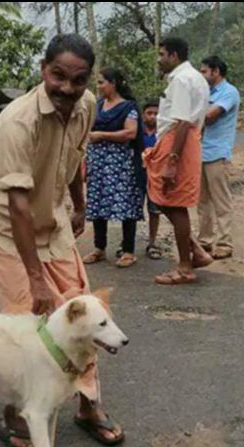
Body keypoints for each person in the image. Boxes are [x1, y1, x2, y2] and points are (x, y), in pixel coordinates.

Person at [0, 33, 124, 447]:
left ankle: (88, 405)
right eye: (58, 76)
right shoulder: (16, 121)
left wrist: (78, 205)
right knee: (26, 322)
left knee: (83, 310)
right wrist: (35, 278)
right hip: (11, 227)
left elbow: (74, 159)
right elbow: (18, 206)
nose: (66, 88)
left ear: (88, 81)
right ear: (44, 70)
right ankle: (15, 414)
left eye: (77, 80)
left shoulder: (87, 107)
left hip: (54, 220)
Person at [144, 37, 213, 285]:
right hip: (180, 139)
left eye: (162, 54)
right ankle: (195, 249)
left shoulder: (183, 80)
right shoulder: (194, 78)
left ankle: (185, 267)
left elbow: (183, 121)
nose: (159, 59)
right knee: (161, 197)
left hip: (178, 140)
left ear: (174, 56)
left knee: (174, 201)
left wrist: (172, 160)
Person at [83, 68, 144, 269]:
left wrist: (102, 135)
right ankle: (99, 248)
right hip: (98, 162)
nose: (98, 87)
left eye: (101, 82)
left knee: (124, 203)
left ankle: (128, 251)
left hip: (119, 163)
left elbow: (130, 133)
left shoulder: (129, 107)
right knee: (98, 202)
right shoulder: (99, 105)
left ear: (113, 83)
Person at [199, 56, 240, 260]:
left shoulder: (228, 92)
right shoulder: (206, 92)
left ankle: (224, 242)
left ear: (215, 72)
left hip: (217, 152)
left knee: (221, 200)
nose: (202, 75)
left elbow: (210, 115)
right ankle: (204, 241)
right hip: (200, 152)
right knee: (202, 201)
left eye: (204, 71)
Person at [141, 100, 164, 260]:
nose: (153, 117)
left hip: (156, 176)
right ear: (143, 115)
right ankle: (126, 243)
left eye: (156, 113)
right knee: (132, 209)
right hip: (138, 174)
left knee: (154, 210)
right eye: (149, 113)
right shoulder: (136, 132)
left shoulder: (163, 134)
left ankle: (152, 242)